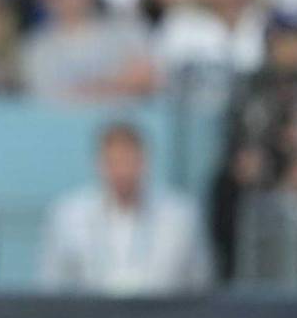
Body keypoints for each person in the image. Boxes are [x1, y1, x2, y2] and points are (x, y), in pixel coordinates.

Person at [39, 122, 211, 295]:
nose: (122, 171)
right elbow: (53, 285)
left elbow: (199, 284)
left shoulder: (180, 215)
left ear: (145, 161)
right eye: (114, 162)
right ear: (99, 163)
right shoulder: (69, 214)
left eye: (129, 161)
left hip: (161, 316)